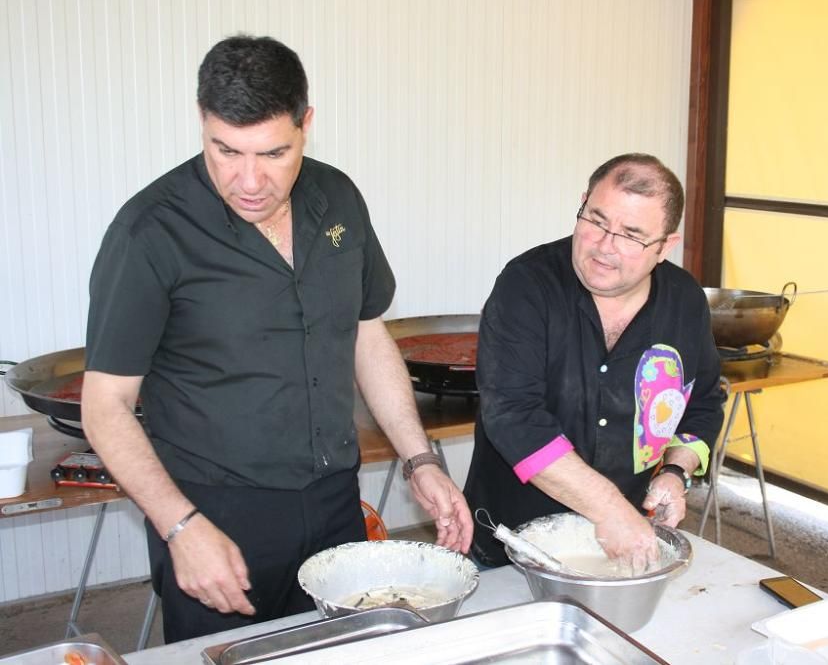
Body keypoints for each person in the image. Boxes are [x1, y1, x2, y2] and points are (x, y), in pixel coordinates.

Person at [81, 35, 472, 643]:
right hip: (215, 511)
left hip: (335, 499)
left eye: (273, 153)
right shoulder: (149, 233)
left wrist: (419, 459)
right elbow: (103, 406)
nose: (249, 180)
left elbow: (367, 334)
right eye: (226, 151)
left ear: (306, 123)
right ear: (201, 121)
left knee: (344, 653)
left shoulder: (338, 198)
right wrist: (180, 528)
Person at [464, 153, 725, 571]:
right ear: (583, 202)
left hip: (623, 541)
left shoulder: (685, 302)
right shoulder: (527, 285)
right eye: (596, 221)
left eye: (632, 236)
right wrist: (610, 508)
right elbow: (513, 417)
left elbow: (704, 404)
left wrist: (675, 473)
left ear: (665, 247)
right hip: (512, 545)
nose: (605, 247)